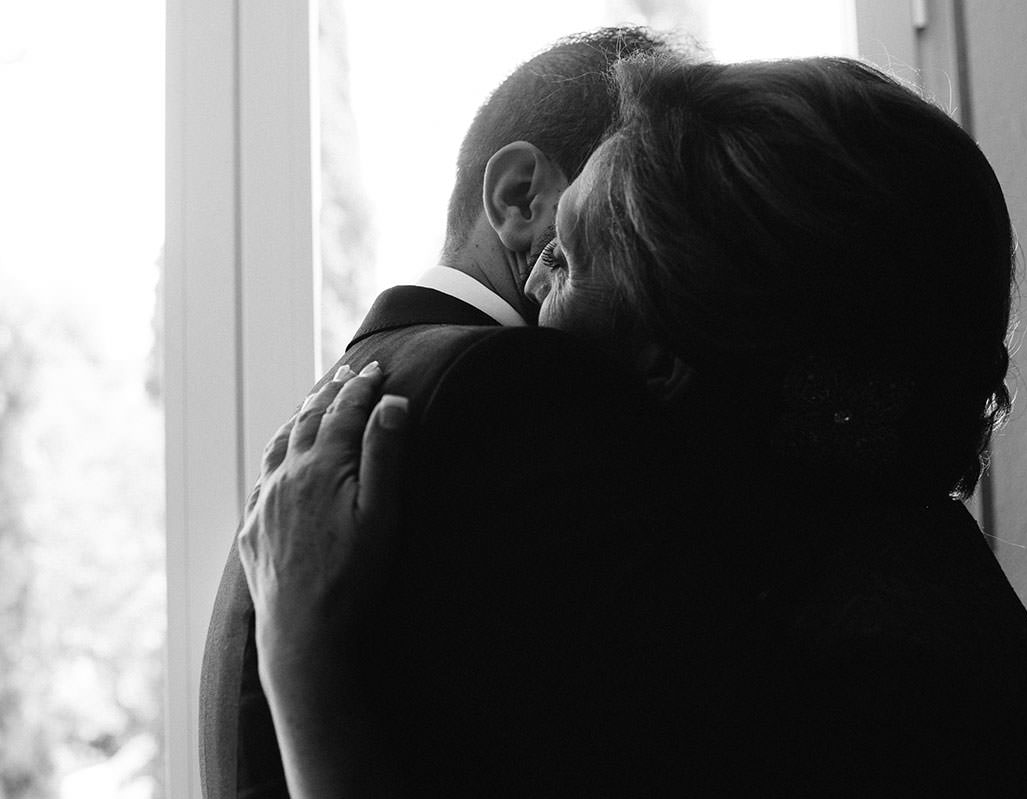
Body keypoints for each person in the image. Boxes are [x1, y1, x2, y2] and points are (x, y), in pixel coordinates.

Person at [241, 55, 1027, 796]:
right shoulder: (813, 558)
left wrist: (300, 661)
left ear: (661, 353)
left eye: (568, 260)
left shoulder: (880, 662)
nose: (529, 277)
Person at [198, 27, 688, 799]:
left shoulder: (360, 388)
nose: (679, 262)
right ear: (523, 197)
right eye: (652, 207)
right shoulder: (518, 392)